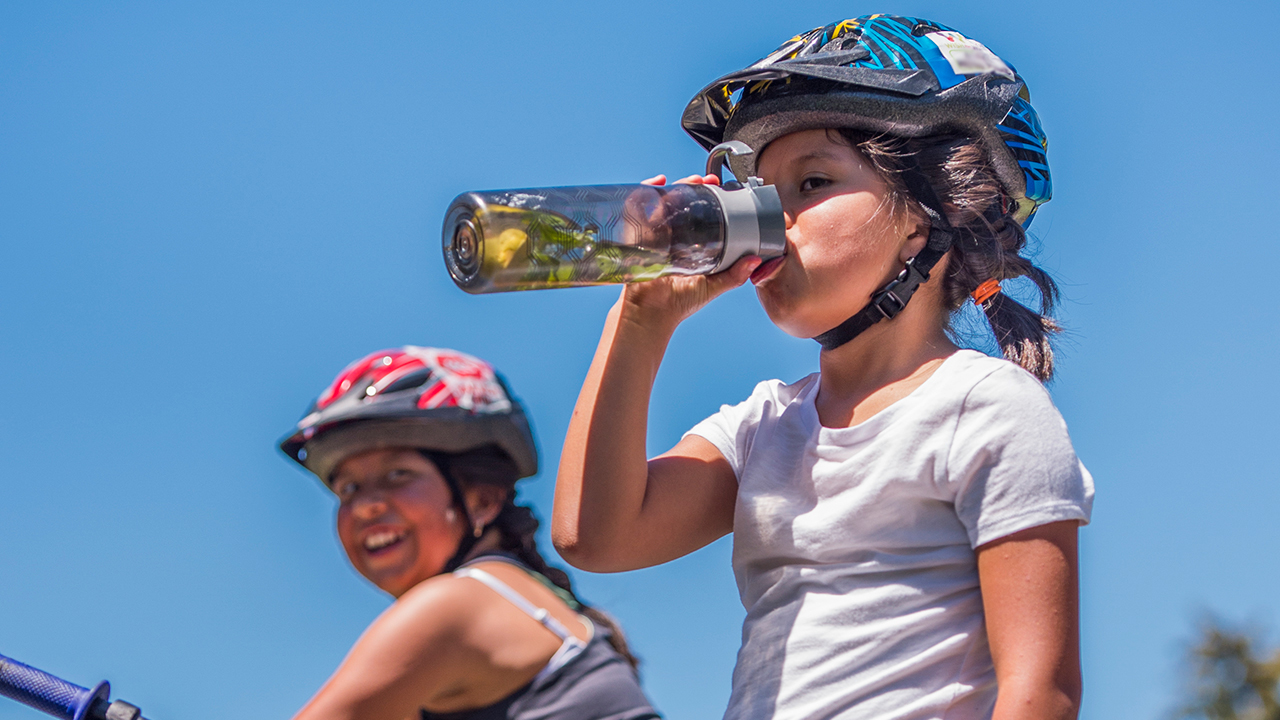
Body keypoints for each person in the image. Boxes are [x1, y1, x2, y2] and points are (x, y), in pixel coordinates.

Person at [552, 14, 1093, 720]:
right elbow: (596, 535)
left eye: (810, 183)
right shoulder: (763, 427)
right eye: (762, 197)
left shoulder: (984, 405)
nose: (775, 221)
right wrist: (642, 317)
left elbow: (1040, 690)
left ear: (922, 218)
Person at [279, 346, 662, 720]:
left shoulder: (452, 606)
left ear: (482, 500)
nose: (366, 506)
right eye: (348, 489)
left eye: (397, 475)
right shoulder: (528, 600)